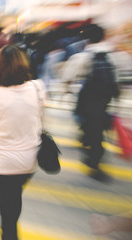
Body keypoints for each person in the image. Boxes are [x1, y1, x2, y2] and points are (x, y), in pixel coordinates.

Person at [0, 45, 45, 240]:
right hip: (29, 161)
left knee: (7, 209)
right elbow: (42, 117)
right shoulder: (37, 88)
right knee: (14, 197)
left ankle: (10, 234)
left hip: (1, 163)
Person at [61, 24, 120, 182]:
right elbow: (117, 81)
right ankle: (93, 153)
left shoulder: (81, 57)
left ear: (87, 39)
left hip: (87, 99)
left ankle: (92, 158)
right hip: (104, 101)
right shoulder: (114, 56)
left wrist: (67, 92)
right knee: (98, 129)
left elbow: (67, 78)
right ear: (104, 36)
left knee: (89, 127)